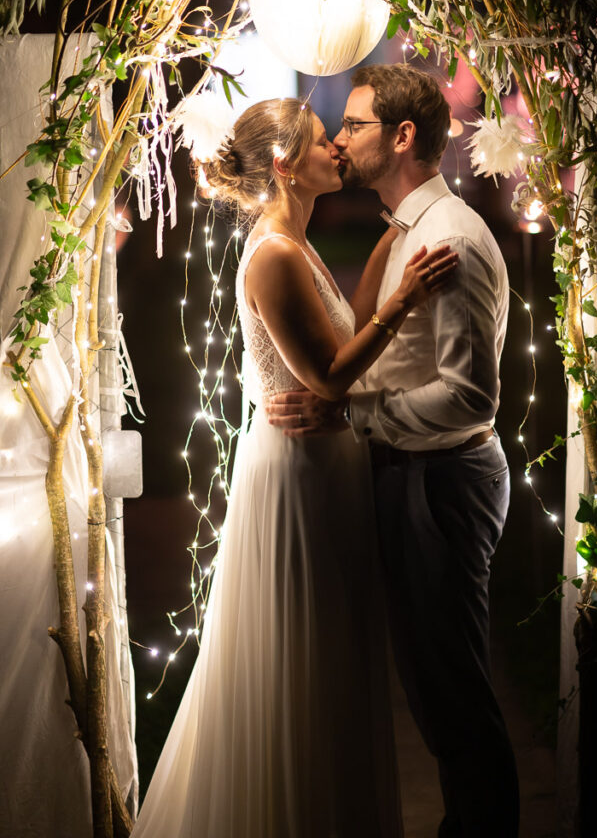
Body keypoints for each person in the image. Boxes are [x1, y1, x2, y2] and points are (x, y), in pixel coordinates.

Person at [131, 96, 458, 838]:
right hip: (297, 478)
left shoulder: (296, 241)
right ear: (284, 164)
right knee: (307, 662)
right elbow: (331, 376)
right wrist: (406, 299)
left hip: (325, 468)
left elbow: (343, 328)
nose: (336, 147)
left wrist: (392, 245)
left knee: (333, 659)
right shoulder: (275, 253)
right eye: (320, 141)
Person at [266, 65, 520, 838]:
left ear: (402, 136)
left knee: (452, 697)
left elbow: (469, 399)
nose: (340, 140)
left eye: (354, 124)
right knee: (434, 690)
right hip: (415, 474)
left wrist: (352, 414)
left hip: (441, 480)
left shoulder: (448, 240)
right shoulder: (407, 230)